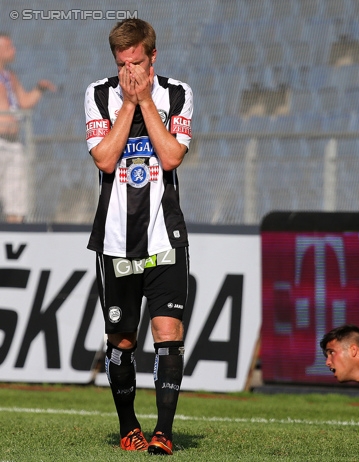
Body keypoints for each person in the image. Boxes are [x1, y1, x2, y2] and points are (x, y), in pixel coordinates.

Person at [84, 18, 193, 455]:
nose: (129, 71)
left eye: (137, 62)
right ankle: (129, 426)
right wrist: (128, 104)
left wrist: (145, 99)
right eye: (121, 63)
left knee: (168, 331)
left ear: (153, 56)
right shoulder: (97, 94)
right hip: (115, 242)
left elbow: (170, 157)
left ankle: (163, 432)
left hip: (165, 236)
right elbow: (105, 161)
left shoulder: (178, 93)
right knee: (123, 340)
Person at [0, 32, 56, 223]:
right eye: (8, 47)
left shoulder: (10, 77)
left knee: (16, 199)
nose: (13, 50)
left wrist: (39, 89)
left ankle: (14, 237)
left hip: (13, 143)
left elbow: (23, 102)